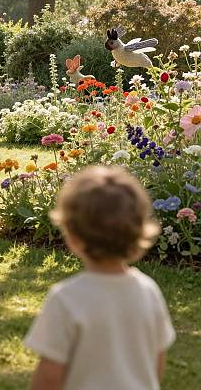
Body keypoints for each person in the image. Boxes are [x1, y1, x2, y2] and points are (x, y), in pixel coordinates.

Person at [24, 165, 175, 390]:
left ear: (72, 236)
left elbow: (49, 376)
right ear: (138, 232)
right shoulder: (148, 290)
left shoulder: (66, 298)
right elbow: (157, 360)